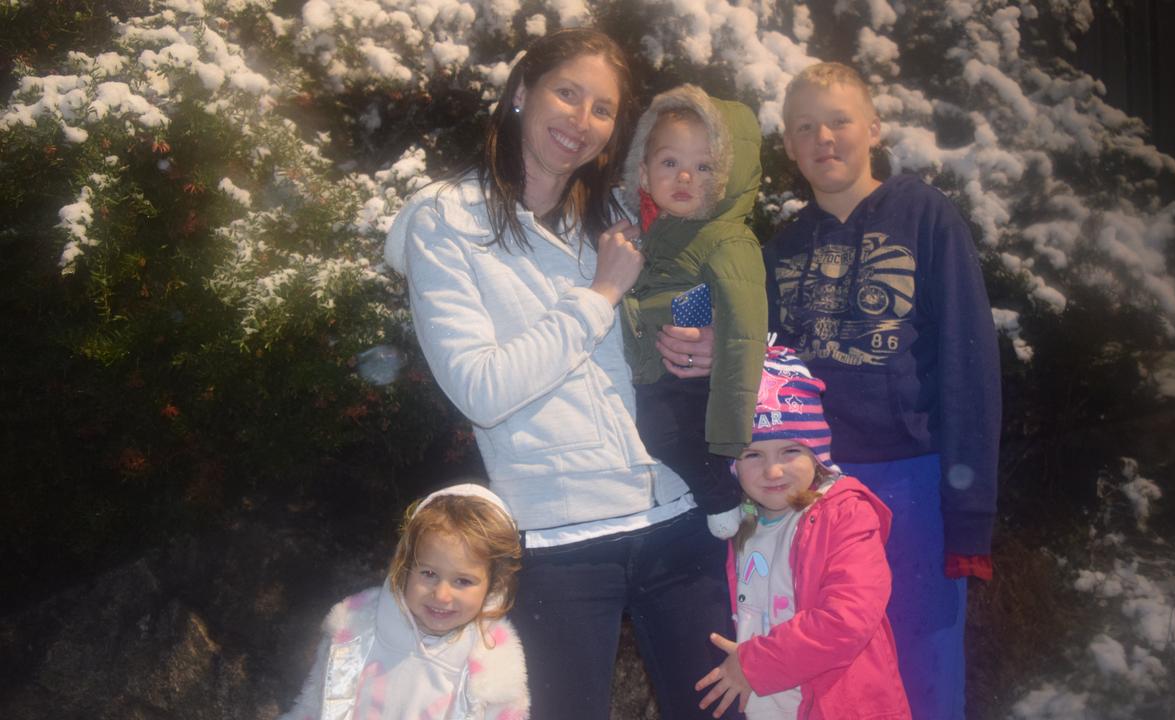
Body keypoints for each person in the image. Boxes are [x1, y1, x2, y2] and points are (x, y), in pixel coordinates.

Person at [382, 29, 734, 719]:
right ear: (521, 94)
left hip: (678, 516)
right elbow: (481, 390)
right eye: (567, 94)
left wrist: (710, 333)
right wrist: (596, 296)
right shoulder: (445, 223)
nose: (581, 121)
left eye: (602, 109)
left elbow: (687, 282)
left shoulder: (617, 217)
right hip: (558, 541)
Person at [665, 61, 1002, 719]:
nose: (825, 138)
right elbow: (736, 339)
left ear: (873, 127)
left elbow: (970, 365)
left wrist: (970, 512)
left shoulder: (925, 217)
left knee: (923, 670)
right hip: (811, 495)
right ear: (788, 147)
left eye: (840, 120)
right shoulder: (780, 250)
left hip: (914, 485)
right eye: (805, 127)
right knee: (829, 681)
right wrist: (698, 333)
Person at [694, 347, 910, 720]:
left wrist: (754, 664)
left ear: (817, 454)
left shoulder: (848, 516)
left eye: (790, 450)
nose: (773, 472)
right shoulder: (735, 523)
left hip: (841, 706)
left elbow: (848, 619)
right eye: (753, 455)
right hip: (762, 705)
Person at [619, 83, 768, 539]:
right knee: (656, 432)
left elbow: (745, 334)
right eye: (671, 163)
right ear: (644, 175)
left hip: (694, 385)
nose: (685, 178)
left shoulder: (727, 239)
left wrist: (730, 433)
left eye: (703, 167)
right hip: (662, 374)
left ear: (724, 175)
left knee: (664, 435)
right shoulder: (659, 233)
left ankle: (723, 500)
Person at [281, 484, 529, 720]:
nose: (442, 595)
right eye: (429, 574)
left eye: (463, 581)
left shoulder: (493, 657)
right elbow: (313, 705)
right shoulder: (356, 627)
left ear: (494, 585)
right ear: (405, 566)